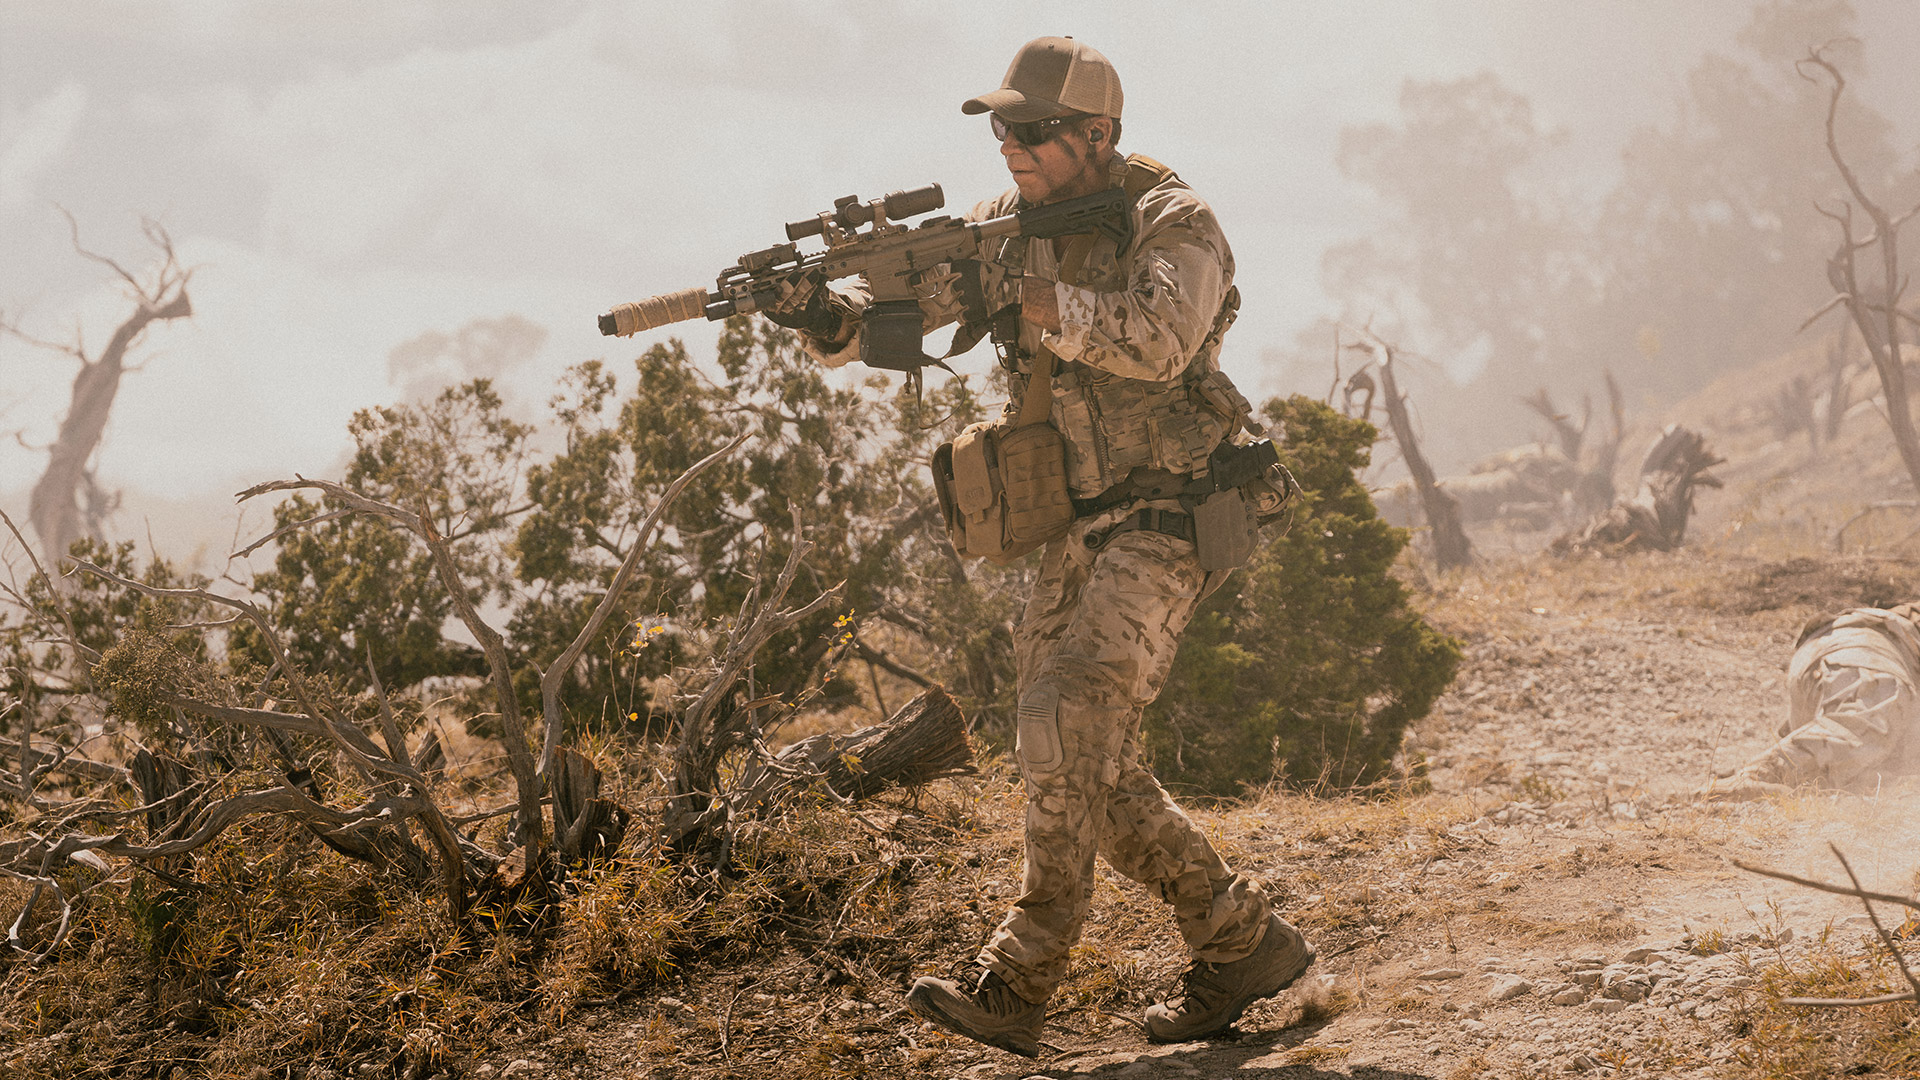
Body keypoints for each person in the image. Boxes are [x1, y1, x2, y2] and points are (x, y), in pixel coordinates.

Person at [769, 36, 1313, 1057]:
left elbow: (1161, 340)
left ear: (1096, 136)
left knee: (1066, 719)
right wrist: (826, 318)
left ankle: (1019, 982)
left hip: (1177, 510)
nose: (1009, 147)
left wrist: (1040, 300)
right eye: (1001, 129)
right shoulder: (1003, 232)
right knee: (1069, 755)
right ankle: (1242, 942)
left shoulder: (1172, 219)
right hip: (1082, 523)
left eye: (1031, 130)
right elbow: (906, 311)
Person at [1703, 602, 1920, 800]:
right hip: (1865, 650)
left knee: (1878, 763)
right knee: (1870, 719)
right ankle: (1755, 778)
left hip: (1841, 656)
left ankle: (1784, 770)